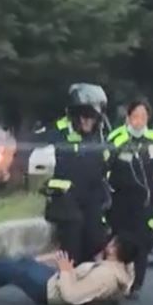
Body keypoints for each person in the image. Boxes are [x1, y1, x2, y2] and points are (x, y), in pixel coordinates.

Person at [0, 234, 137, 305]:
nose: (108, 243)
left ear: (115, 250)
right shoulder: (119, 269)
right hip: (54, 280)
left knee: (9, 266)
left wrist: (66, 270)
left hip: (48, 290)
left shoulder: (106, 275)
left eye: (112, 243)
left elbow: (72, 296)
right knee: (20, 263)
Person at [105, 99, 153, 299]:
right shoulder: (116, 139)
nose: (139, 121)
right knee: (120, 240)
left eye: (143, 117)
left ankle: (136, 285)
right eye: (135, 117)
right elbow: (105, 165)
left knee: (142, 242)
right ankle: (117, 281)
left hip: (145, 200)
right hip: (121, 200)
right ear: (128, 118)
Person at [44, 84, 112, 262]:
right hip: (66, 199)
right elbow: (35, 152)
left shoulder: (102, 134)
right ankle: (70, 281)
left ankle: (90, 281)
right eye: (83, 116)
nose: (86, 121)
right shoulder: (58, 131)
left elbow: (110, 162)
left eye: (92, 117)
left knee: (96, 239)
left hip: (93, 197)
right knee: (72, 240)